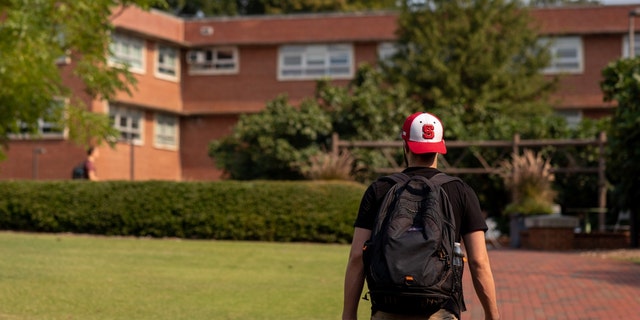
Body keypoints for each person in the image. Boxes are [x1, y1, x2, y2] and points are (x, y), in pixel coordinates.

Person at [342, 112, 500, 320]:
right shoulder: (460, 191)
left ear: (405, 145)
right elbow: (479, 261)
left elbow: (356, 257)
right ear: (439, 148)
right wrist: (492, 315)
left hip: (388, 306)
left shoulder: (379, 189)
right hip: (439, 308)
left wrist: (349, 314)